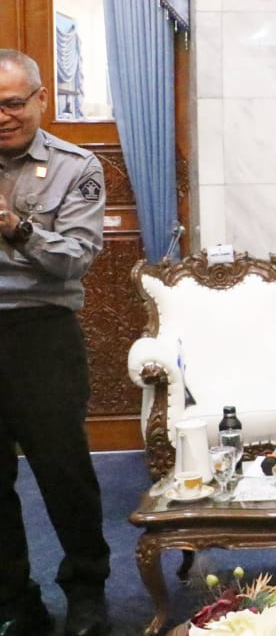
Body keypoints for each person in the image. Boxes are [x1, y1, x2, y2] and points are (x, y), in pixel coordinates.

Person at [0, 50, 110, 636]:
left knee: (64, 471)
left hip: (40, 332)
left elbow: (75, 260)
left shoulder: (77, 167)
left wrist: (17, 228)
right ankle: (14, 600)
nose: (3, 117)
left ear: (41, 99)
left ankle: (87, 593)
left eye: (13, 103)